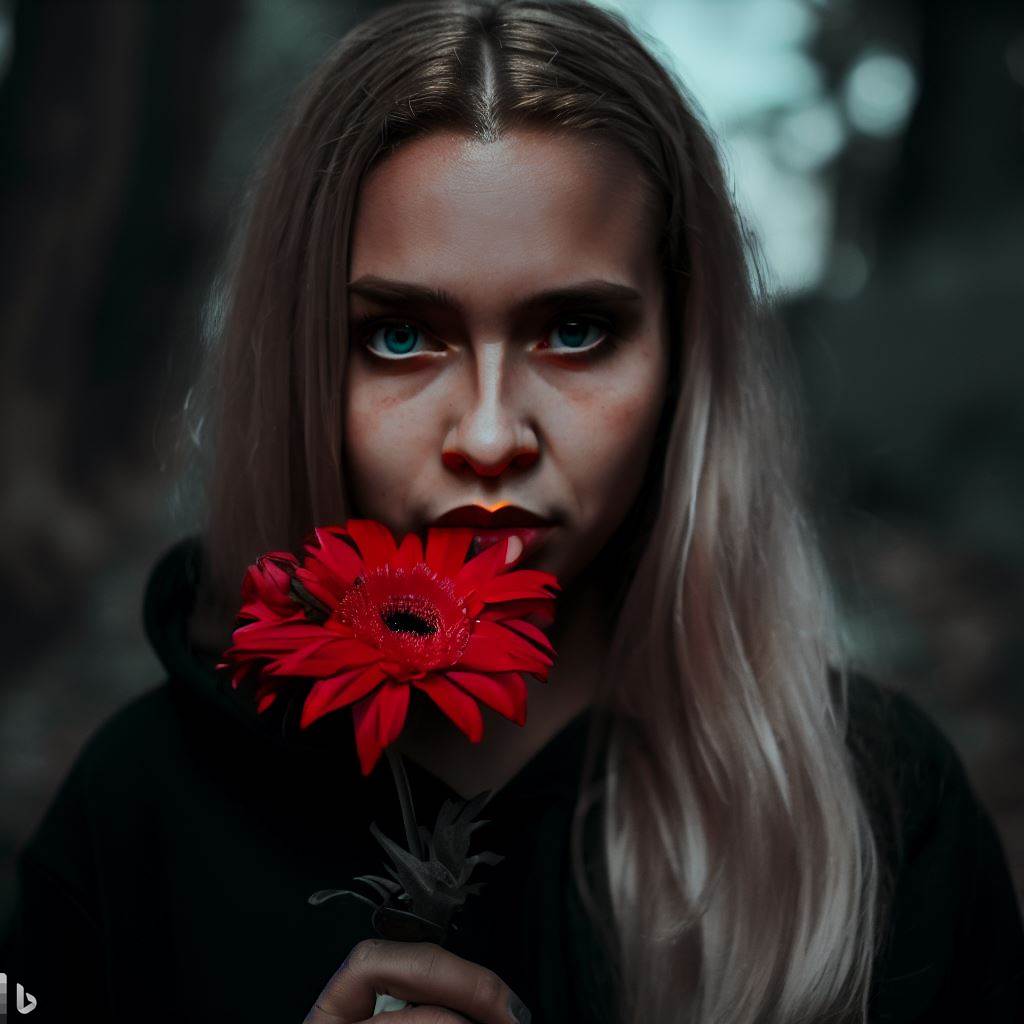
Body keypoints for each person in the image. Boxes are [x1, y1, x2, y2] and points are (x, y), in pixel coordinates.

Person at [2, 1, 1023, 1021]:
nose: (491, 436)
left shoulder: (874, 813)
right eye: (401, 337)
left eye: (575, 330)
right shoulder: (138, 809)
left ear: (684, 364)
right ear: (306, 361)